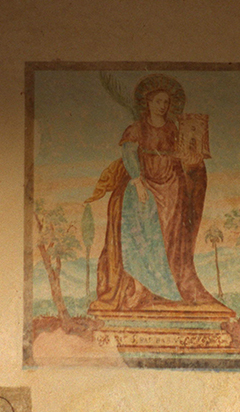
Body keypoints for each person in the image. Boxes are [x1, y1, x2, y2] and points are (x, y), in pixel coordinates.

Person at [86, 74, 229, 313]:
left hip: (172, 186)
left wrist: (193, 158)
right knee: (142, 233)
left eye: (166, 102)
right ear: (149, 103)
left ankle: (166, 288)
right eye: (158, 101)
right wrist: (138, 183)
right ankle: (139, 289)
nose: (163, 106)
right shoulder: (137, 128)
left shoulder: (173, 128)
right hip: (144, 185)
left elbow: (183, 153)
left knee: (170, 237)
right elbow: (129, 154)